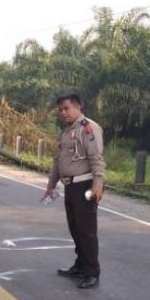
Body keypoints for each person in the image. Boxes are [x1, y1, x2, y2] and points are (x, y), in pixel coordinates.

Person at [42, 91, 105, 289]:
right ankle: (80, 265)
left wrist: (98, 185)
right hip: (70, 187)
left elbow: (96, 159)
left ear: (78, 107)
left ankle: (92, 272)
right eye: (60, 109)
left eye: (66, 108)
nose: (63, 112)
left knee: (86, 231)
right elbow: (57, 162)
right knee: (75, 229)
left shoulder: (88, 128)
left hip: (85, 186)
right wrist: (51, 185)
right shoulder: (66, 132)